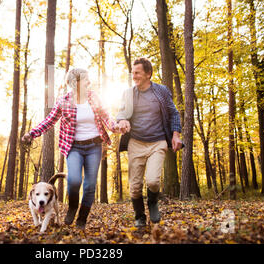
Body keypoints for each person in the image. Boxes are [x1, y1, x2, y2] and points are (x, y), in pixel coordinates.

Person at [22, 68, 117, 229]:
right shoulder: (63, 101)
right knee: (74, 180)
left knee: (89, 185)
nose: (88, 82)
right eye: (85, 79)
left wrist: (116, 127)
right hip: (74, 147)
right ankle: (73, 205)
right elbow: (49, 121)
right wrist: (32, 133)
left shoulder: (94, 97)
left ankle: (82, 218)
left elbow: (106, 116)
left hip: (94, 145)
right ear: (76, 83)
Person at [117, 57, 183, 227]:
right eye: (133, 73)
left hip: (158, 142)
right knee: (135, 186)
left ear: (148, 74)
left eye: (137, 73)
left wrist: (175, 135)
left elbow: (174, 113)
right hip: (136, 143)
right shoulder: (128, 93)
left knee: (153, 180)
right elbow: (121, 113)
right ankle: (139, 216)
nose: (134, 76)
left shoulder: (161, 91)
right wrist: (122, 121)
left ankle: (153, 203)